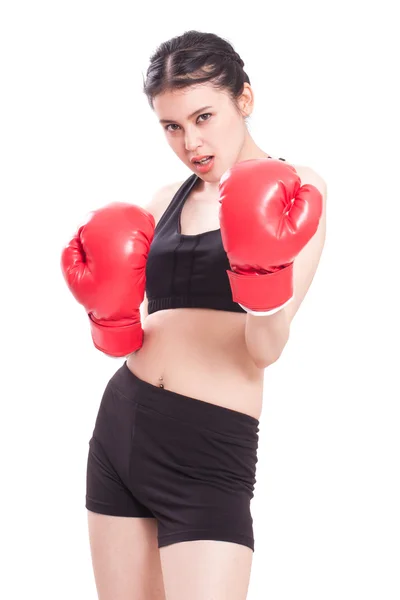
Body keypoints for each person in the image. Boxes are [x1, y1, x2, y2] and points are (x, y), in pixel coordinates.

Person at [61, 30, 327, 600]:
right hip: (123, 430)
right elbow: (145, 328)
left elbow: (265, 350)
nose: (191, 142)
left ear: (244, 100)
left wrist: (260, 274)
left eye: (204, 117)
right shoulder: (164, 202)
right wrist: (109, 318)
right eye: (173, 126)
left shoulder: (295, 193)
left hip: (209, 448)